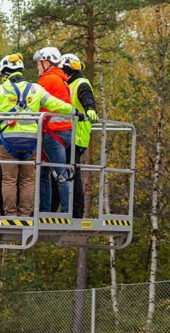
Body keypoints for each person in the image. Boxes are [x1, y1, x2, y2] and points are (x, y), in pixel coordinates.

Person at [0, 53, 77, 217]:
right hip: (31, 143)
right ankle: (25, 215)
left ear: (5, 74)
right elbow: (55, 104)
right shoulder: (36, 89)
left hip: (9, 142)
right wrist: (74, 111)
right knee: (27, 180)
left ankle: (10, 215)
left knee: (9, 180)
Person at [33, 47, 73, 214]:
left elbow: (33, 101)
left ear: (47, 62)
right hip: (63, 133)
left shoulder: (48, 80)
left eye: (39, 64)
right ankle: (45, 211)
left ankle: (64, 212)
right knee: (45, 173)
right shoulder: (62, 80)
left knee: (59, 174)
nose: (37, 67)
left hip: (52, 133)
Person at [61, 53, 98, 219]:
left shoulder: (80, 84)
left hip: (76, 137)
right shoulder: (72, 84)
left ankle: (76, 213)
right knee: (65, 173)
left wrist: (91, 109)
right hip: (70, 136)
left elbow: (88, 99)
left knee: (72, 175)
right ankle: (69, 210)